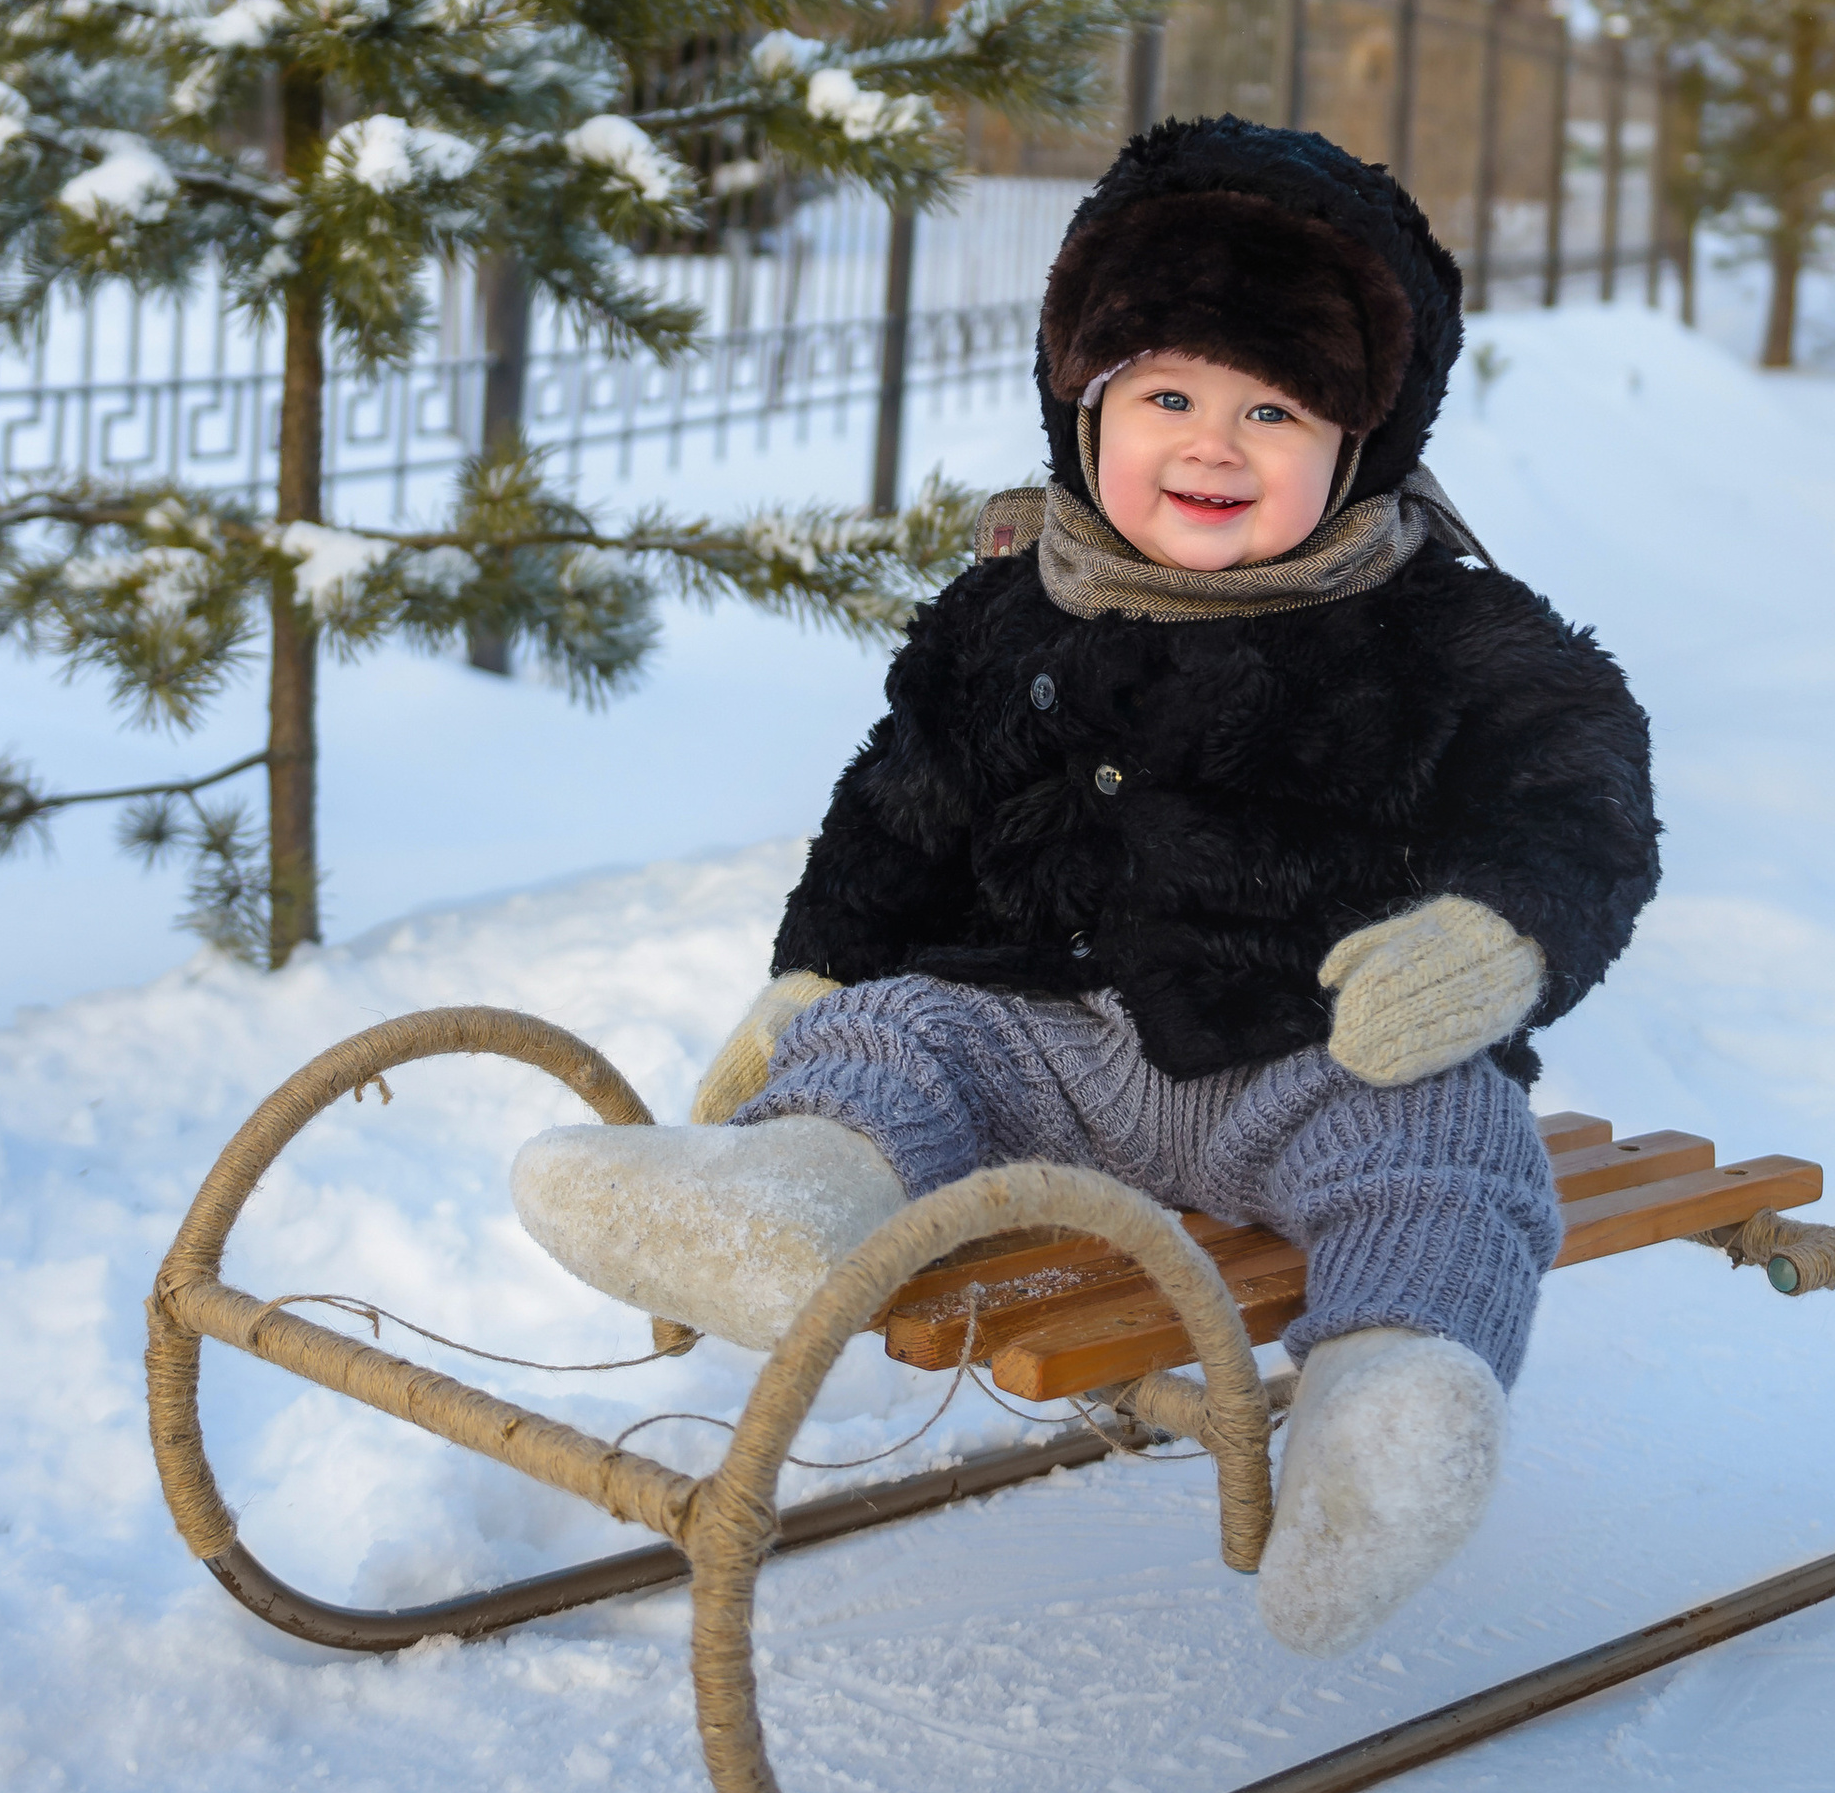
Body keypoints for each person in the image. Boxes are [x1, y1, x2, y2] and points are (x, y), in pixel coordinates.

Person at [515, 116, 1659, 1651]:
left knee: (1452, 1141)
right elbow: (899, 805)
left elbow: (1577, 773)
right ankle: (794, 1202)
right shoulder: (1013, 605)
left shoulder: (1434, 621)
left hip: (1315, 1055)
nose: (1211, 443)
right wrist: (813, 983)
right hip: (1035, 1039)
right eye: (1170, 393)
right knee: (903, 1034)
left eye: (1273, 409)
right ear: (1085, 405)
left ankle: (1391, 1418)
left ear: (1361, 446)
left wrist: (1501, 930)